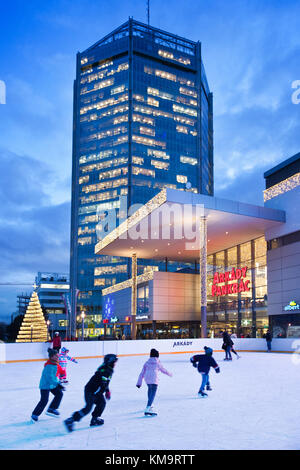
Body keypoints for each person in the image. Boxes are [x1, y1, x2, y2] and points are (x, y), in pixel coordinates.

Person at [64, 354, 118, 432]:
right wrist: (104, 391)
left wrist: (107, 390)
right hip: (91, 391)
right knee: (88, 408)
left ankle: (95, 419)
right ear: (110, 362)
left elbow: (106, 382)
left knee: (102, 403)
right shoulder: (105, 370)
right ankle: (70, 420)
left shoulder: (108, 369)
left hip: (96, 391)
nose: (115, 363)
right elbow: (103, 382)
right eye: (114, 362)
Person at [31, 348, 65, 422]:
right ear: (52, 357)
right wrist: (58, 384)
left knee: (59, 394)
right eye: (56, 356)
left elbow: (58, 371)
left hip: (52, 385)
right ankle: (35, 414)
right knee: (44, 400)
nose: (57, 357)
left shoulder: (55, 363)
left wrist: (62, 375)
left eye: (57, 355)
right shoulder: (48, 366)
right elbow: (50, 378)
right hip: (45, 385)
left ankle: (52, 408)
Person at [136, 348, 172, 416]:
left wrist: (139, 383)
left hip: (147, 379)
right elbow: (163, 370)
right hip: (154, 379)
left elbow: (142, 373)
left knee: (150, 390)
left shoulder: (147, 363)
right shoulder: (157, 362)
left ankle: (150, 405)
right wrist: (169, 373)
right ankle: (148, 407)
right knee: (153, 393)